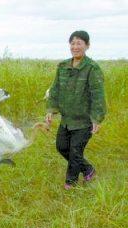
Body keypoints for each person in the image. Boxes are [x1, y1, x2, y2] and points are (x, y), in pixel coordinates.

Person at [46, 30, 107, 189]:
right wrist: (50, 110)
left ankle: (70, 185)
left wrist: (97, 118)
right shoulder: (63, 66)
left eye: (79, 43)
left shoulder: (92, 68)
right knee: (61, 146)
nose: (75, 47)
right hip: (67, 119)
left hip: (84, 120)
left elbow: (98, 95)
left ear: (87, 46)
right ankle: (88, 169)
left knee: (75, 152)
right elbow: (55, 89)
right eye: (72, 43)